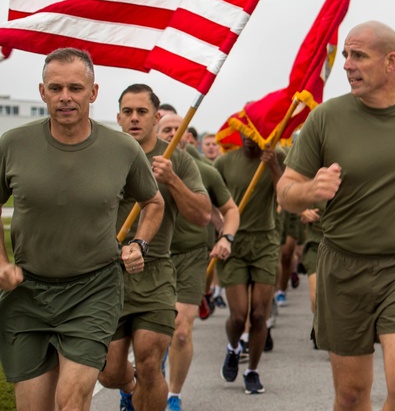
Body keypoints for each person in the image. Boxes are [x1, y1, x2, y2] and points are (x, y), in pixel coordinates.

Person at [277, 21, 395, 410]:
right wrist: (309, 191)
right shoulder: (325, 118)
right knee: (351, 396)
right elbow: (286, 191)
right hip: (343, 268)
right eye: (346, 55)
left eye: (358, 56)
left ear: (390, 62)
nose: (347, 65)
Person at [0, 48, 164, 411]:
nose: (65, 97)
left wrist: (140, 243)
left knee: (71, 401)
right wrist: (0, 262)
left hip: (93, 290)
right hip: (28, 291)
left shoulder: (122, 148)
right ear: (42, 92)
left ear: (93, 93)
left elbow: (154, 202)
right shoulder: (13, 144)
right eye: (55, 88)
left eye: (75, 88)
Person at [99, 84, 211, 411]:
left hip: (156, 271)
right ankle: (130, 388)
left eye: (142, 112)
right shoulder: (103, 155)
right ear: (118, 117)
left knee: (150, 363)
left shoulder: (176, 156)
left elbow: (203, 215)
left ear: (155, 116)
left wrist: (172, 180)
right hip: (107, 274)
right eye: (128, 112)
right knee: (108, 372)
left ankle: (145, 388)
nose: (134, 118)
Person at [157, 113, 240, 411]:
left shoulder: (204, 171)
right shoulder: (138, 164)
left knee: (180, 330)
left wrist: (225, 238)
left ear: (188, 137)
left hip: (191, 256)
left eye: (179, 131)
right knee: (151, 336)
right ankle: (142, 383)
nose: (173, 136)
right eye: (166, 130)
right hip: (152, 258)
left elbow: (230, 210)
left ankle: (173, 396)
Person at [214, 133, 284, 394]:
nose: (247, 137)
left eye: (254, 132)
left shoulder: (277, 157)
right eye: (243, 130)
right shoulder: (224, 162)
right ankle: (233, 348)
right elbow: (208, 197)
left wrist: (274, 166)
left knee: (258, 314)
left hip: (265, 242)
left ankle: (252, 370)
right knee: (239, 314)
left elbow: (286, 197)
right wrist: (219, 227)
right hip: (234, 242)